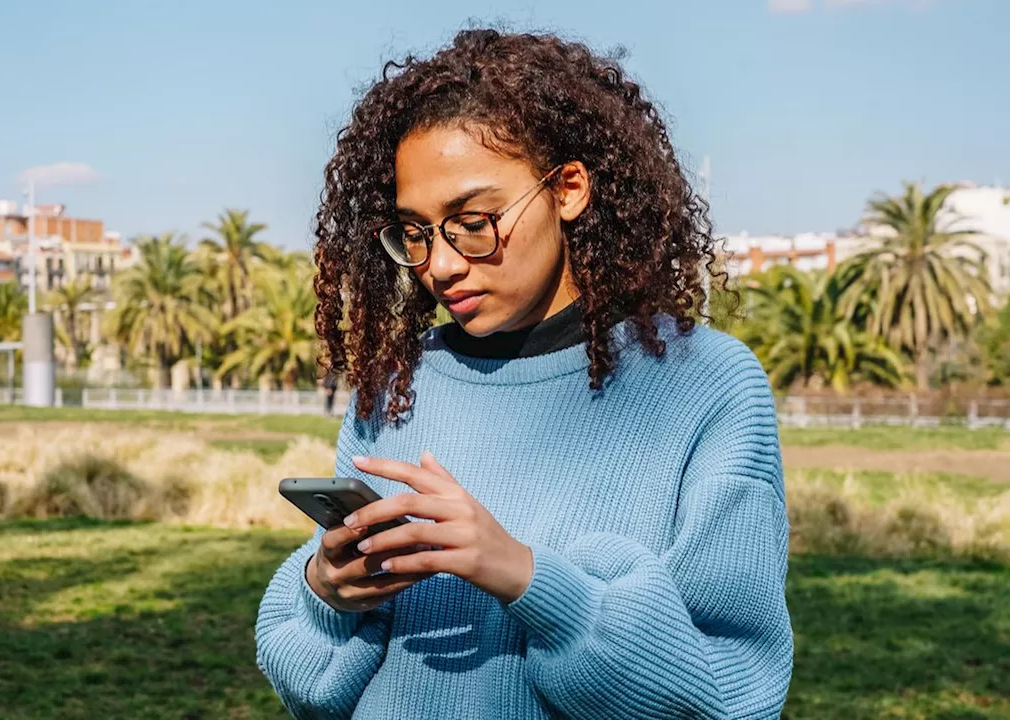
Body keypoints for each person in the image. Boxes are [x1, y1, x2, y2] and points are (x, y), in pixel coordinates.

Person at [256, 28, 793, 719]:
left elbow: (731, 695)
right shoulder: (398, 385)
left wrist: (522, 575)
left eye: (473, 220)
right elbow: (311, 682)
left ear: (568, 189)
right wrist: (326, 591)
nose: (440, 265)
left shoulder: (709, 386)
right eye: (415, 233)